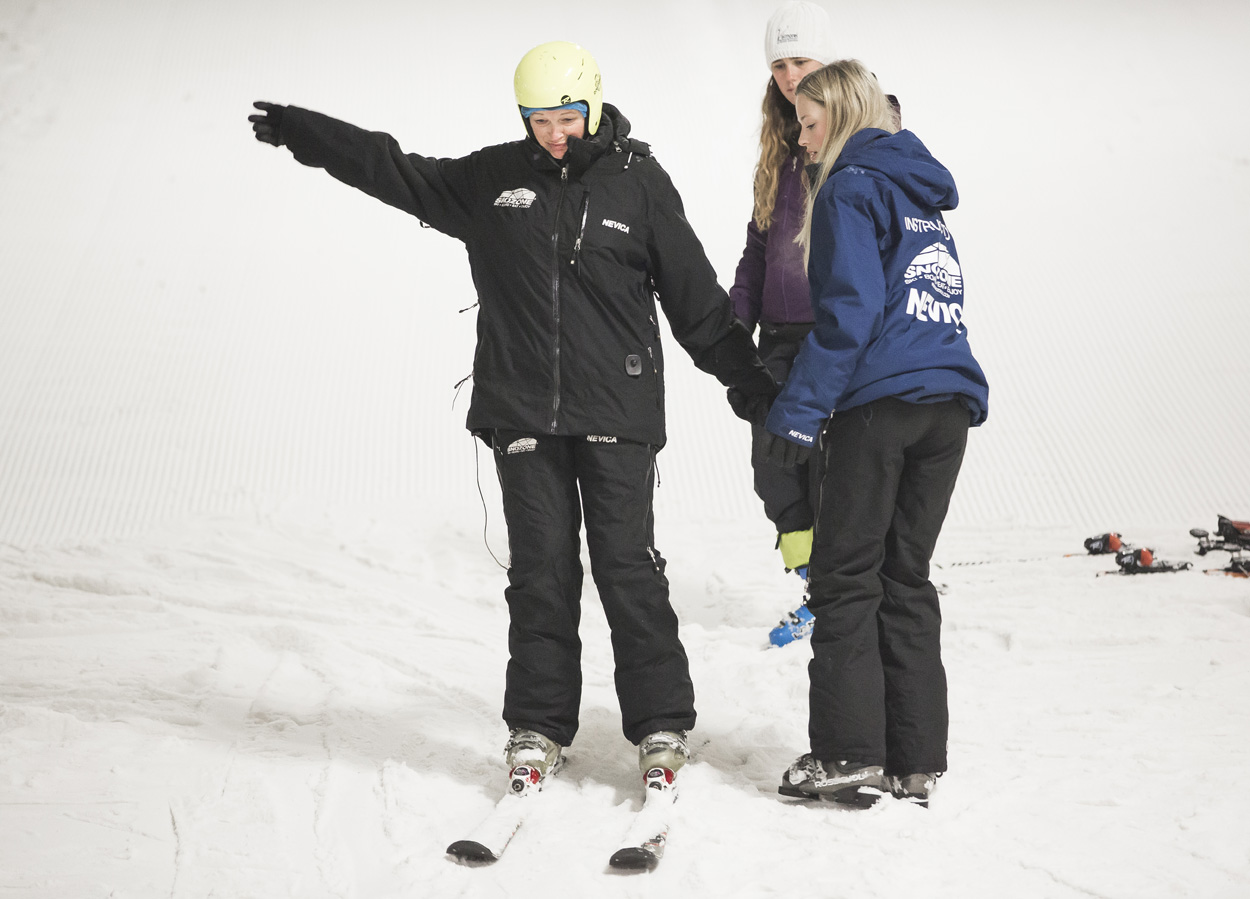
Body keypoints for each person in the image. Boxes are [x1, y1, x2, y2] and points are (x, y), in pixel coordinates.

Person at [248, 42, 776, 795]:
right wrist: (310, 132)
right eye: (539, 121)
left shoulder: (639, 184)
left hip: (619, 413)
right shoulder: (493, 180)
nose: (554, 134)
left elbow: (696, 301)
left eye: (566, 117)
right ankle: (538, 725)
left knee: (627, 567)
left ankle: (660, 723)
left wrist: (749, 384)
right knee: (540, 571)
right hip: (522, 411)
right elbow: (396, 170)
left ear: (593, 107)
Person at [759, 59, 989, 808]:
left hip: (882, 405)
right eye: (797, 123)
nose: (803, 136)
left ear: (847, 114)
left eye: (812, 119)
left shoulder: (850, 188)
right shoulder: (921, 194)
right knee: (905, 576)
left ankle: (848, 752)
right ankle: (913, 759)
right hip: (946, 406)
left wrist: (796, 411)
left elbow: (850, 313)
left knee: (844, 574)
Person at [728, 1, 834, 648]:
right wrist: (732, 323)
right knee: (774, 461)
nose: (790, 75)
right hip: (778, 336)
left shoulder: (852, 133)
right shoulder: (780, 140)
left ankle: (843, 591)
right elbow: (757, 245)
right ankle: (815, 581)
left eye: (800, 61)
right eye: (779, 64)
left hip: (833, 333)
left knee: (824, 463)